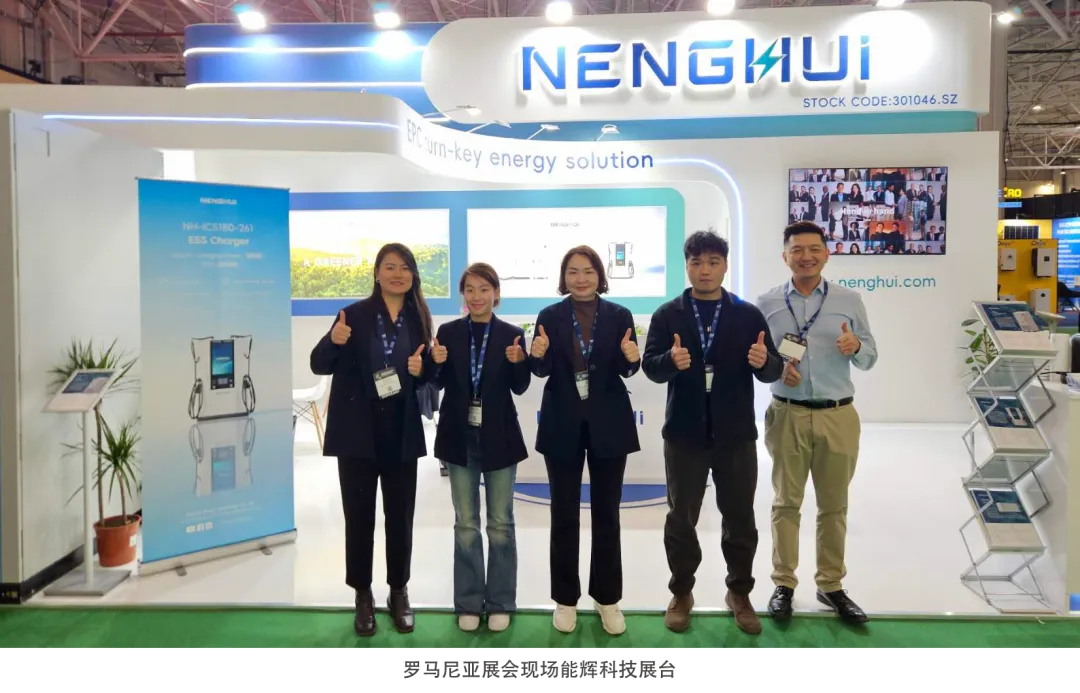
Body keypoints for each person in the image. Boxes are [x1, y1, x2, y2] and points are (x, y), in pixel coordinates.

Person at [642, 230, 783, 636]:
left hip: (735, 434)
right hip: (684, 434)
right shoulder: (668, 314)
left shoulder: (746, 314)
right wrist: (669, 360)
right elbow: (651, 367)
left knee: (740, 518)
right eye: (696, 262)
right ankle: (681, 592)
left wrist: (764, 361)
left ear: (725, 265)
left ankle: (739, 592)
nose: (704, 270)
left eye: (713, 262)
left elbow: (773, 368)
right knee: (681, 519)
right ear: (686, 266)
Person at [310, 243, 435, 638]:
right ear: (377, 273)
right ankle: (362, 595)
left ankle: (399, 591)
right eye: (390, 267)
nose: (398, 274)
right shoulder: (354, 314)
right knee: (359, 517)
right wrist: (334, 339)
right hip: (357, 434)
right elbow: (318, 363)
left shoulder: (418, 317)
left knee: (400, 517)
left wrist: (422, 367)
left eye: (405, 268)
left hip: (401, 432)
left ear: (413, 275)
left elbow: (428, 374)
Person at [757, 221, 878, 626]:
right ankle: (784, 584)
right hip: (787, 414)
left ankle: (831, 584)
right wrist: (778, 369)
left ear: (826, 254)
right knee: (785, 503)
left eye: (814, 249)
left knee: (834, 505)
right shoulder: (767, 303)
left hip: (837, 415)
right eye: (797, 250)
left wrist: (855, 345)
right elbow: (757, 358)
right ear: (785, 257)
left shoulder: (849, 300)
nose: (805, 256)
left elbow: (870, 356)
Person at [529, 245, 641, 636]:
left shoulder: (619, 315)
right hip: (562, 424)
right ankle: (565, 598)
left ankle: (607, 598)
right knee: (563, 513)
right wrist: (537, 354)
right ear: (564, 277)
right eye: (573, 272)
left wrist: (632, 357)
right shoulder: (549, 316)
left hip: (609, 423)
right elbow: (541, 370)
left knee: (607, 514)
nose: (581, 279)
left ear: (600, 275)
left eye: (588, 271)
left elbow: (627, 369)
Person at [431, 263, 531, 633]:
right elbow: (437, 382)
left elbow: (520, 386)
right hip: (459, 436)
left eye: (483, 289)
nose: (476, 297)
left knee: (501, 523)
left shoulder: (511, 334)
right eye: (470, 290)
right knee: (466, 524)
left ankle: (501, 601)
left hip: (499, 437)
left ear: (496, 294)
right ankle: (469, 602)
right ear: (463, 295)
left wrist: (520, 362)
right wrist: (434, 363)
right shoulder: (448, 332)